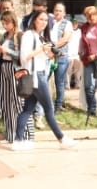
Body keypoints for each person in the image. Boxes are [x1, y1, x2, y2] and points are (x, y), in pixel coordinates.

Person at [14, 10, 75, 150]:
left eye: (46, 20)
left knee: (28, 109)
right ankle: (61, 138)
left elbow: (40, 57)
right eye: (41, 19)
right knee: (49, 109)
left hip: (39, 74)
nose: (43, 22)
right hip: (35, 76)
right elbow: (24, 57)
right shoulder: (29, 35)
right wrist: (41, 49)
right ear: (34, 20)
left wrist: (50, 54)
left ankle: (17, 141)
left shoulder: (40, 36)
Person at [0, 10, 31, 144]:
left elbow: (22, 54)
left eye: (7, 23)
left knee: (17, 102)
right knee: (6, 101)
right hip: (4, 66)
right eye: (3, 23)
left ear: (13, 22)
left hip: (15, 68)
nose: (4, 25)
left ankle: (24, 135)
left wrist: (6, 51)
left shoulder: (19, 35)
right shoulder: (4, 36)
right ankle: (10, 135)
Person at [47, 2, 74, 114]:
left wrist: (52, 47)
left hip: (61, 56)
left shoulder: (67, 23)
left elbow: (66, 38)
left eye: (60, 10)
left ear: (64, 13)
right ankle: (44, 106)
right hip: (48, 56)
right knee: (44, 81)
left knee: (60, 82)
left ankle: (58, 106)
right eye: (56, 10)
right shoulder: (49, 22)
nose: (57, 12)